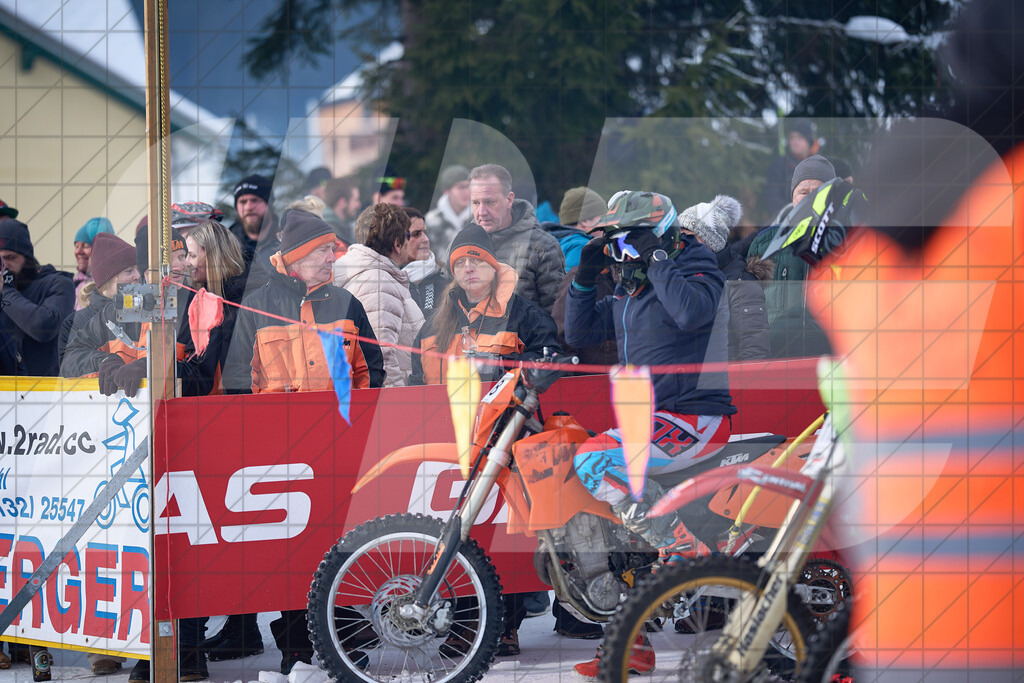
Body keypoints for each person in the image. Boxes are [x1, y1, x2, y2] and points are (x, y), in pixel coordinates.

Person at [564, 190, 736, 679]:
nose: (623, 254)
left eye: (630, 241)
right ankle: (633, 645)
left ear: (659, 235)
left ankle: (681, 546)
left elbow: (691, 313)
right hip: (653, 421)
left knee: (595, 461)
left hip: (695, 418)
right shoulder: (630, 288)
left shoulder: (697, 265)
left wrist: (656, 256)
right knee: (620, 531)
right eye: (616, 245)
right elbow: (579, 334)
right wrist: (585, 275)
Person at [221, 210, 383, 673]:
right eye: (322, 251)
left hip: (338, 451)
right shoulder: (257, 305)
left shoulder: (347, 304)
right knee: (288, 554)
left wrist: (355, 430)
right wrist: (264, 437)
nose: (332, 258)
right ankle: (295, 646)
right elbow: (238, 381)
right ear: (296, 257)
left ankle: (342, 639)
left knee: (339, 548)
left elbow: (371, 373)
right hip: (280, 455)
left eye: (333, 250)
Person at [410, 223, 559, 656]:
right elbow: (417, 386)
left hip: (510, 442)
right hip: (454, 446)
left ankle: (506, 625)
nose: (469, 268)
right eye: (460, 262)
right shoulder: (436, 324)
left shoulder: (522, 312)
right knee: (458, 537)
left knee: (508, 537)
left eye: (477, 260)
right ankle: (464, 623)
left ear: (495, 266)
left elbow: (548, 357)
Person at [747, 154, 837, 358]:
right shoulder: (765, 243)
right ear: (793, 198)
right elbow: (749, 305)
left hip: (830, 360)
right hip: (776, 359)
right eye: (803, 192)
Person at [332, 203, 425, 386]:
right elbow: (382, 359)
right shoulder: (379, 284)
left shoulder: (369, 274)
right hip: (396, 398)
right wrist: (400, 400)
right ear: (397, 244)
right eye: (409, 236)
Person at [678, 195, 769, 361]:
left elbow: (754, 351)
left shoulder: (740, 283)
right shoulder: (680, 278)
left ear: (711, 241)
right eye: (680, 236)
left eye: (689, 236)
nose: (682, 243)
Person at [467, 163, 565, 314]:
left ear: (509, 199)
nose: (482, 212)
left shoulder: (543, 247)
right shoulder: (460, 245)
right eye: (475, 203)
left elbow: (556, 315)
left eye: (490, 202)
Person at [59, 233, 146, 392]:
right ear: (108, 279)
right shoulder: (77, 322)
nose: (137, 276)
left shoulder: (145, 313)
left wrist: (145, 366)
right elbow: (68, 367)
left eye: (138, 269)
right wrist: (103, 361)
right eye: (129, 270)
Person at [0, 219, 75, 376]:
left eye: (10, 258)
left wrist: (5, 290)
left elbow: (44, 328)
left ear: (27, 257)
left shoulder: (59, 284)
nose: (4, 265)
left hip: (44, 387)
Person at [760, 119, 818, 222]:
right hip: (788, 222)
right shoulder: (779, 165)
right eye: (792, 137)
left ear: (808, 140)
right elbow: (772, 196)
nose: (795, 141)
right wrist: (791, 215)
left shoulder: (819, 165)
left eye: (799, 137)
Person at [228, 174, 280, 284]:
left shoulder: (289, 239)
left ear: (269, 204)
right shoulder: (226, 246)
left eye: (255, 200)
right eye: (243, 202)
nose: (248, 207)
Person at [541, 187, 607, 270]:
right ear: (585, 221)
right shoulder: (582, 247)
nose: (607, 224)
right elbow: (570, 278)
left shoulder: (555, 243)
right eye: (603, 218)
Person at [402, 207, 448, 321]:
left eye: (425, 233)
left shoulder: (446, 286)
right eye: (416, 234)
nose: (426, 239)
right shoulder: (384, 282)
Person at [425, 164, 471, 262]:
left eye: (468, 186)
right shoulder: (432, 220)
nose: (466, 192)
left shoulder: (480, 217)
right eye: (461, 187)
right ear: (447, 191)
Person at [71, 216, 115, 310]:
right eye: (76, 246)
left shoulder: (111, 286)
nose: (78, 251)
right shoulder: (73, 284)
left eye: (86, 246)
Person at [323, 176, 361, 245]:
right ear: (342, 202)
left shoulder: (337, 229)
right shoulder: (333, 235)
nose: (359, 205)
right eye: (356, 200)